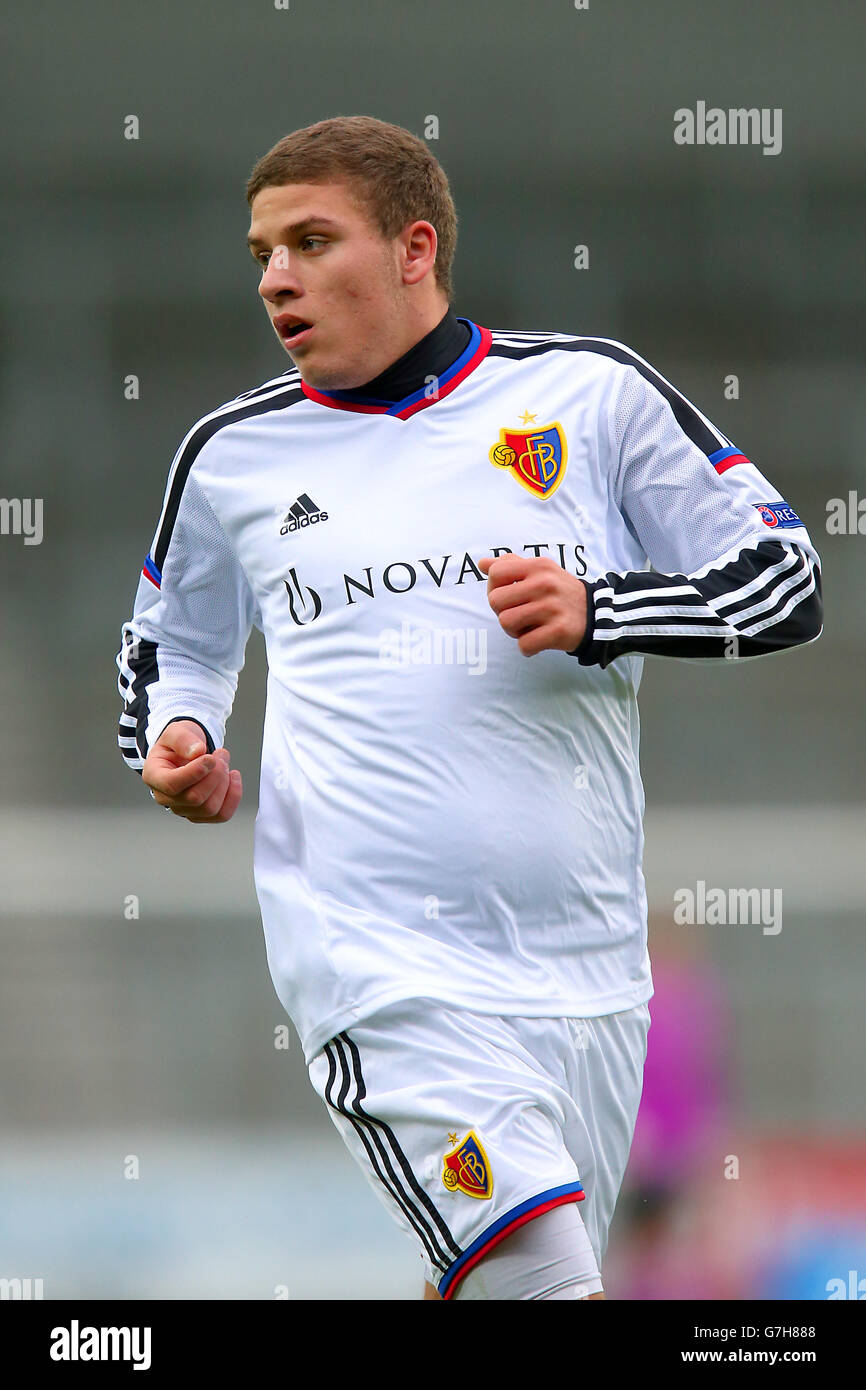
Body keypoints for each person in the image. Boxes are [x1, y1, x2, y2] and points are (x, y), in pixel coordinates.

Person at [116, 115, 823, 1300]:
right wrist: (176, 742)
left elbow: (785, 577)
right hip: (378, 969)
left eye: (309, 240)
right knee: (548, 1287)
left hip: (590, 983)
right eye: (260, 253)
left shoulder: (586, 398)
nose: (276, 278)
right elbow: (171, 652)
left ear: (413, 248)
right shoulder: (231, 455)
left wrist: (606, 608)